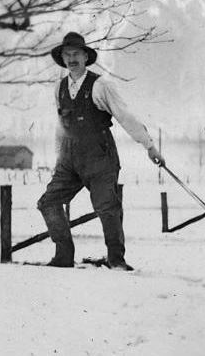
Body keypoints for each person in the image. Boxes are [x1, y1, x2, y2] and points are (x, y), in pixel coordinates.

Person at [37, 32, 165, 270]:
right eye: (67, 55)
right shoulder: (59, 88)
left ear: (86, 57)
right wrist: (58, 156)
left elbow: (125, 116)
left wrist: (149, 146)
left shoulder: (101, 85)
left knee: (107, 207)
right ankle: (63, 256)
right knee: (48, 203)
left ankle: (116, 260)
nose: (72, 59)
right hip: (68, 159)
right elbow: (61, 125)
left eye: (77, 54)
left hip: (99, 156)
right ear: (62, 59)